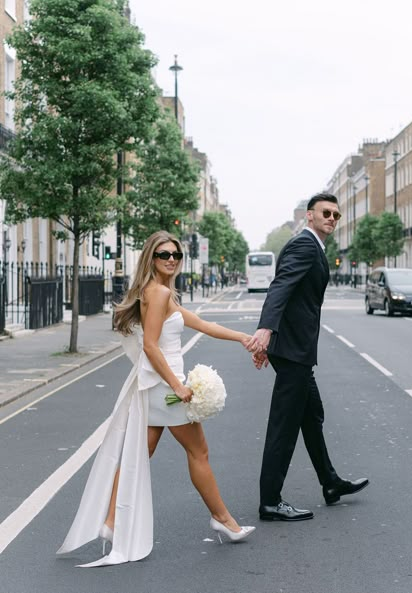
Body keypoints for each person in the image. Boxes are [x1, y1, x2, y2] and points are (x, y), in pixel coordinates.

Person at [57, 230, 255, 567]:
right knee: (199, 451)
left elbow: (202, 324)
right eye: (164, 255)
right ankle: (223, 520)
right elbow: (150, 345)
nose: (172, 260)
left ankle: (110, 523)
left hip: (160, 386)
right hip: (167, 387)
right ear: (152, 257)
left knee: (141, 450)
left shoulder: (162, 294)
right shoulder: (158, 293)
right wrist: (177, 387)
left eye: (176, 255)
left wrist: (242, 337)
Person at [247, 193, 369, 521]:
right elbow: (281, 286)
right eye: (325, 213)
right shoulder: (305, 245)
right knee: (283, 427)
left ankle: (330, 483)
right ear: (310, 216)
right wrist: (266, 329)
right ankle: (270, 501)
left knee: (311, 414)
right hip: (292, 350)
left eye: (336, 215)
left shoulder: (314, 246)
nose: (331, 218)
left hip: (296, 349)